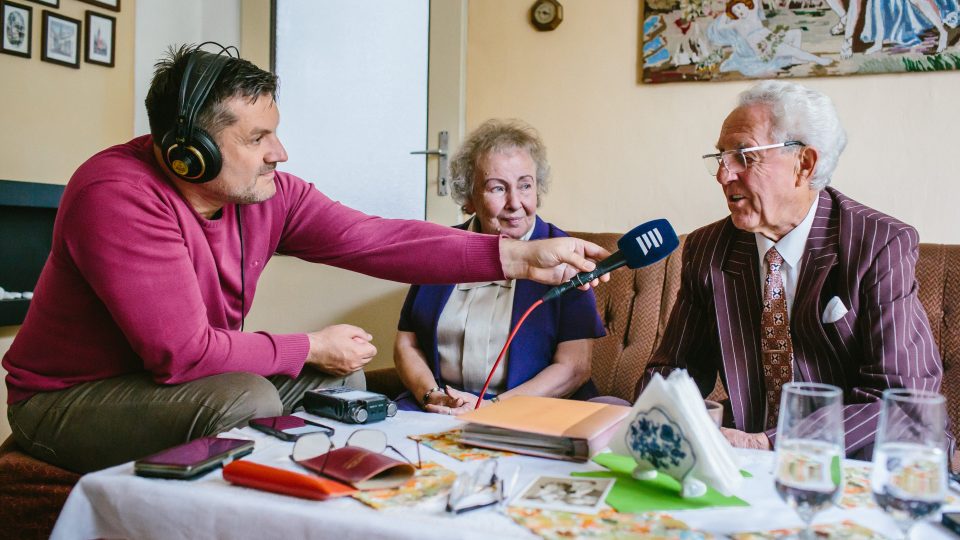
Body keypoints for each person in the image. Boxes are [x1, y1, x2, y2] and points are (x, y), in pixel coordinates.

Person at [2, 45, 609, 473]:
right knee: (250, 399)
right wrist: (307, 344)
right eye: (257, 139)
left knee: (339, 385)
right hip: (70, 399)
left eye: (276, 131)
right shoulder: (118, 197)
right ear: (190, 154)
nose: (280, 152)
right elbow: (180, 353)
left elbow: (380, 239)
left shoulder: (266, 195)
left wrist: (520, 255)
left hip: (170, 385)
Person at [637, 80, 945, 460]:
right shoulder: (708, 250)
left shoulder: (878, 244)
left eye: (743, 156)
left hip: (863, 456)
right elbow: (675, 370)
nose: (723, 175)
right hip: (747, 457)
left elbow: (903, 400)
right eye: (721, 158)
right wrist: (662, 410)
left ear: (805, 164)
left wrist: (771, 442)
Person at [393, 120, 606, 415]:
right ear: (469, 198)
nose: (515, 202)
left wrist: (491, 408)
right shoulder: (441, 247)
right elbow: (408, 343)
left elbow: (573, 367)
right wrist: (431, 395)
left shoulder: (564, 255)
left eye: (525, 185)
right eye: (497, 188)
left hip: (531, 411)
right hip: (440, 409)